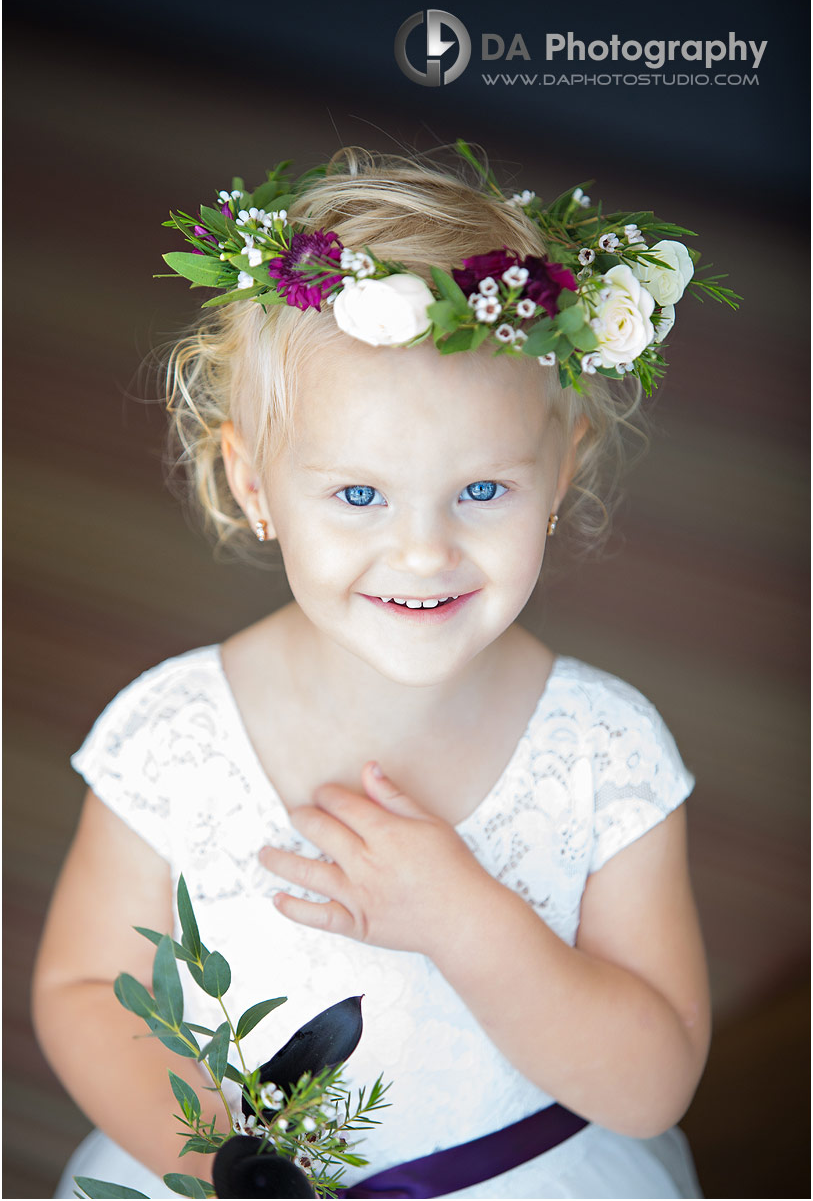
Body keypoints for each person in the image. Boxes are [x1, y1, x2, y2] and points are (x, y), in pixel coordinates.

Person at [33, 145, 719, 1199]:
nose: (422, 551)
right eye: (359, 496)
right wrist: (232, 1169)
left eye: (481, 488)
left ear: (560, 471)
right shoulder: (175, 732)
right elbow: (85, 985)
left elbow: (652, 1080)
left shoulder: (605, 750)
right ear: (254, 485)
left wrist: (465, 917)